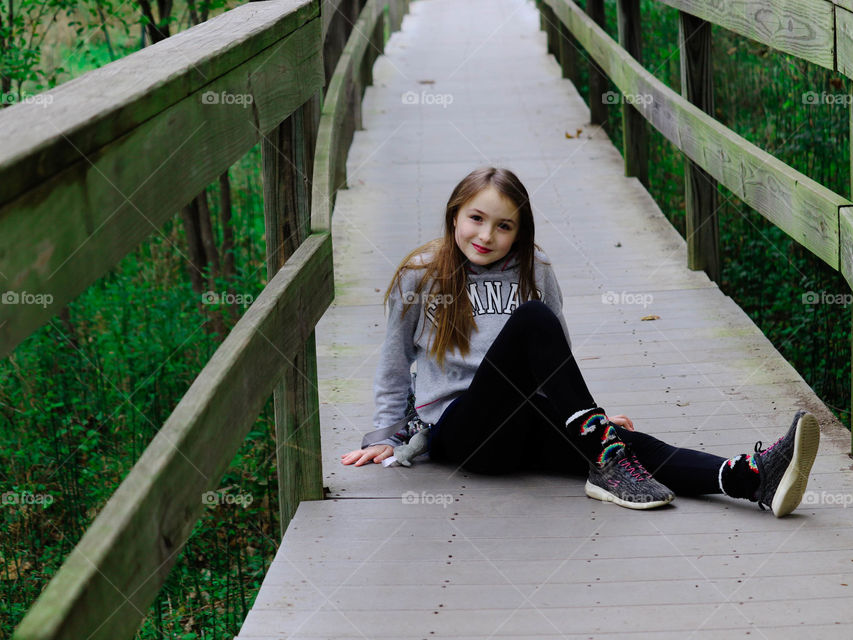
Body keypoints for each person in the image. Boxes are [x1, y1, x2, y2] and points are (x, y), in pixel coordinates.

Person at [341, 167, 820, 516]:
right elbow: (394, 360)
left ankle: (749, 478)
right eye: (476, 218)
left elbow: (556, 358)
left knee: (624, 447)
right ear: (454, 216)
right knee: (533, 320)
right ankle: (603, 451)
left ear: (519, 232)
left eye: (504, 225)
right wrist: (385, 434)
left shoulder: (535, 269)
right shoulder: (421, 274)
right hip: (464, 432)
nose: (486, 235)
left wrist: (588, 418)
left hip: (527, 418)